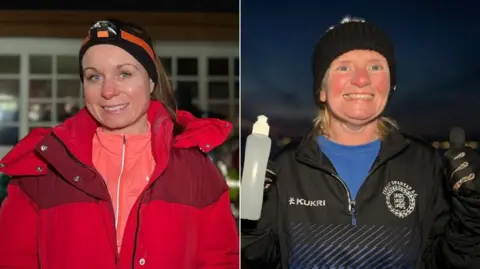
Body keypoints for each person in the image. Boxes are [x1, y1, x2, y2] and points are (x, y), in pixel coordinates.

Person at [241, 16, 480, 269]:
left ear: (390, 85)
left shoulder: (425, 164)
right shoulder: (285, 169)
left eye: (376, 67)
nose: (362, 79)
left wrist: (471, 215)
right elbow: (256, 259)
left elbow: (447, 261)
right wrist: (249, 225)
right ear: (321, 90)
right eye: (344, 67)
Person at [0, 19, 239, 269]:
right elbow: (12, 259)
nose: (108, 91)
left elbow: (219, 260)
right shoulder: (43, 166)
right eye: (94, 77)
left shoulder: (196, 170)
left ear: (151, 81)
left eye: (124, 73)